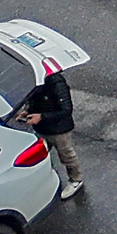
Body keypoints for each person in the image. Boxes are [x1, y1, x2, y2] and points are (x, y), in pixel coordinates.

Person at [13, 59, 83, 198]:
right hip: (42, 128)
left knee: (66, 155)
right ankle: (45, 176)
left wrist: (42, 116)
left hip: (59, 130)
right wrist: (28, 111)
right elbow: (33, 101)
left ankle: (76, 179)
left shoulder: (57, 85)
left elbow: (66, 110)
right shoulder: (37, 83)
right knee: (41, 152)